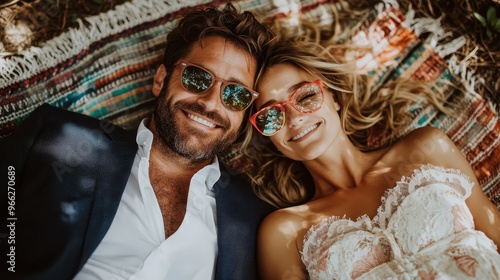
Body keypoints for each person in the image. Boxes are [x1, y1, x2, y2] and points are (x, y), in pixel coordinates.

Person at [0, 3, 276, 280]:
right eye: (197, 77)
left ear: (246, 114)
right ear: (160, 79)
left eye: (236, 95)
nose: (211, 102)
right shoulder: (57, 139)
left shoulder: (257, 219)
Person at [241, 34, 500, 279]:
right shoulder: (284, 232)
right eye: (271, 114)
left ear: (335, 96)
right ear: (266, 135)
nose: (295, 118)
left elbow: (493, 229)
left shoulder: (428, 148)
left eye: (306, 95)